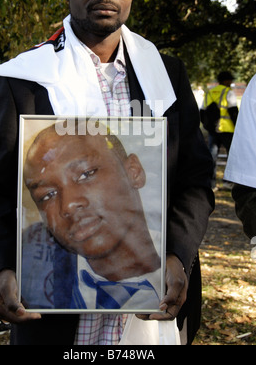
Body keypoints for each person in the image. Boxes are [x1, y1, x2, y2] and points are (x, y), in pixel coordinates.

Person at [0, 0, 214, 345]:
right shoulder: (23, 80)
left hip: (152, 308)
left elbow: (195, 181)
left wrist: (176, 256)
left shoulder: (166, 76)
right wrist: (2, 269)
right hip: (56, 322)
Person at [22, 122, 161, 310]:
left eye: (86, 174)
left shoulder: (177, 260)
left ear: (133, 172)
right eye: (47, 195)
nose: (68, 205)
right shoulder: (36, 288)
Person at [224, 72, 256, 239]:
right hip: (228, 129)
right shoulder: (229, 93)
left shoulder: (214, 91)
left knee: (214, 152)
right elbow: (248, 190)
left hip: (217, 128)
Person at [201, 71, 238, 189]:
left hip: (213, 130)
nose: (231, 82)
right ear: (225, 81)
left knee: (212, 156)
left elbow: (202, 111)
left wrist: (208, 126)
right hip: (227, 129)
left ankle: (211, 184)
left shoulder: (210, 92)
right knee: (231, 157)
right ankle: (228, 182)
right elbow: (234, 113)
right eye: (230, 80)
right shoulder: (228, 92)